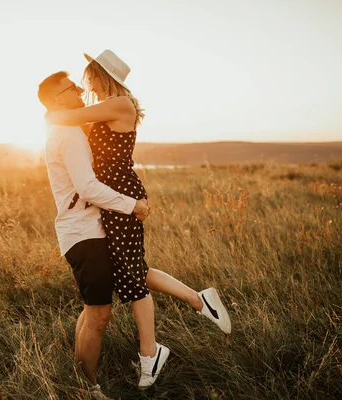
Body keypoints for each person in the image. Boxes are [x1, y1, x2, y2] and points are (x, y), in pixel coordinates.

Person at [45, 50, 232, 389]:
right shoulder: (107, 107)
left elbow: (64, 119)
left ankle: (151, 354)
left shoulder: (119, 104)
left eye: (88, 79)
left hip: (122, 198)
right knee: (133, 268)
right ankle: (197, 299)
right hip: (113, 200)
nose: (86, 86)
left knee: (131, 277)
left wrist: (54, 109)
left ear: (103, 76)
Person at [38, 70, 150, 399]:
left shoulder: (64, 127)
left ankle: (79, 375)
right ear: (59, 98)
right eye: (71, 87)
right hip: (84, 233)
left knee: (91, 309)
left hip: (83, 231)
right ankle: (87, 388)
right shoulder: (68, 134)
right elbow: (87, 187)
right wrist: (132, 206)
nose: (78, 88)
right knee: (99, 314)